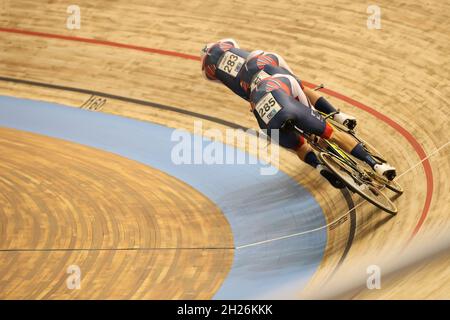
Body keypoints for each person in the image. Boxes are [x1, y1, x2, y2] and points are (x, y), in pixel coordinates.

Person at [201, 39, 396, 187]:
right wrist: (312, 116)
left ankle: (321, 168)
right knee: (314, 110)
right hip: (278, 83)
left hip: (262, 112)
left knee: (299, 147)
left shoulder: (237, 87)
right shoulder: (269, 66)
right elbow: (297, 89)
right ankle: (347, 128)